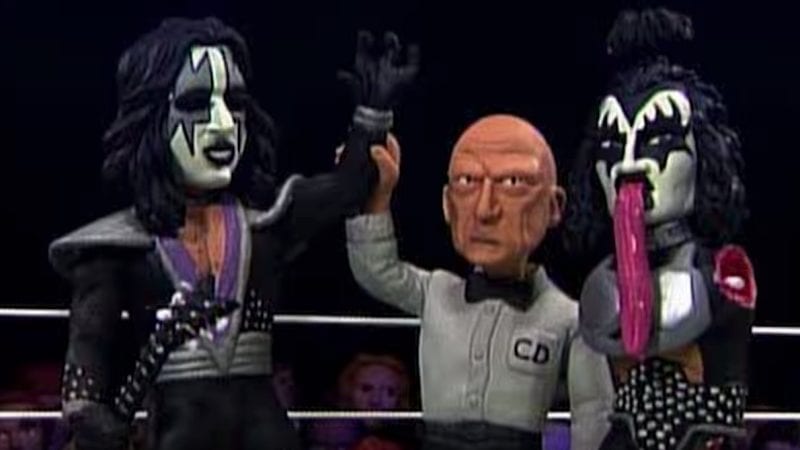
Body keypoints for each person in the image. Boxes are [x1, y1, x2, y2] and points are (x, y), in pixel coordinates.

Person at [48, 18, 418, 450]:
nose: (223, 123)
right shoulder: (116, 248)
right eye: (196, 104)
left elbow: (349, 187)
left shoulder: (265, 225)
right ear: (151, 116)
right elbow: (86, 367)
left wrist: (372, 113)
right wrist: (90, 414)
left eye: (235, 103)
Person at [346, 114, 614, 450]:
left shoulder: (567, 318)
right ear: (447, 203)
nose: (485, 210)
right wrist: (375, 197)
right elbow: (376, 270)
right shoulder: (436, 292)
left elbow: (594, 412)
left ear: (553, 205)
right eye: (467, 181)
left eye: (513, 182)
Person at [564, 8, 756, 450]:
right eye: (614, 145)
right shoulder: (603, 280)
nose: (628, 165)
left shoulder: (722, 269)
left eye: (655, 141)